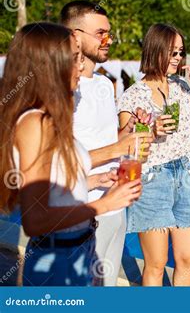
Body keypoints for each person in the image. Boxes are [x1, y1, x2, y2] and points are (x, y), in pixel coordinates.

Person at [0, 22, 142, 286]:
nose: (81, 67)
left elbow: (56, 189)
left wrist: (96, 181)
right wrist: (105, 205)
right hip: (56, 260)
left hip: (80, 251)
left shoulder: (51, 119)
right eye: (74, 59)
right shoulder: (34, 124)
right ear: (49, 66)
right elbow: (36, 219)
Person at [60, 1, 153, 286]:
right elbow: (56, 160)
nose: (108, 40)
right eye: (101, 33)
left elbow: (104, 136)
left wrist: (127, 131)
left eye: (109, 33)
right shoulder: (62, 89)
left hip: (115, 205)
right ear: (75, 36)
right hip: (81, 211)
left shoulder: (103, 83)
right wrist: (117, 148)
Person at [117, 23, 190, 286]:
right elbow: (125, 146)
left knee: (186, 261)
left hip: (185, 177)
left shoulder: (181, 87)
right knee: (156, 265)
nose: (178, 58)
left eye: (181, 52)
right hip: (151, 180)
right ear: (156, 50)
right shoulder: (133, 96)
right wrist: (151, 128)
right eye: (172, 53)